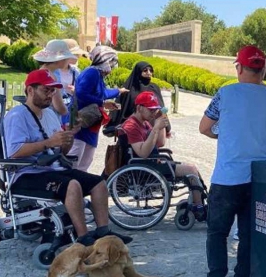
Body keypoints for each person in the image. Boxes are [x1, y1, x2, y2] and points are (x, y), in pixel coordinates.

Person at [196, 45, 266, 277]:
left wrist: (224, 134)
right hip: (259, 179)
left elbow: (204, 127)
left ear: (239, 67)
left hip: (228, 177)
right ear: (264, 70)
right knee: (249, 235)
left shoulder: (225, 94)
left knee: (217, 234)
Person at [3, 69, 132, 247]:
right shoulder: (17, 116)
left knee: (98, 183)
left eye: (52, 91)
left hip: (52, 168)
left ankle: (103, 231)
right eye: (45, 90)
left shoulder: (49, 114)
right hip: (27, 173)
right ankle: (82, 237)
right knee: (73, 185)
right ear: (30, 90)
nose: (50, 95)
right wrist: (48, 143)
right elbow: (15, 152)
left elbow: (61, 151)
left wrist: (68, 137)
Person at [121, 91, 206, 219]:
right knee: (191, 169)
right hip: (145, 165)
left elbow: (160, 143)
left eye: (155, 110)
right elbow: (143, 153)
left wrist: (160, 124)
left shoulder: (145, 122)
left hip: (153, 161)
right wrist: (155, 129)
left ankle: (198, 198)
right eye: (151, 110)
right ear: (139, 108)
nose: (153, 113)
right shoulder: (131, 125)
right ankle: (199, 208)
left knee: (193, 169)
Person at [69, 46, 129, 172]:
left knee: (86, 160)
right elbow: (81, 94)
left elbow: (101, 93)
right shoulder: (92, 73)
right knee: (75, 159)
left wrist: (117, 92)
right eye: (112, 62)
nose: (113, 67)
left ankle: (79, 185)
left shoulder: (97, 74)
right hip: (83, 120)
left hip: (90, 122)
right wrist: (101, 102)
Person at [112, 61, 166, 128]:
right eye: (145, 70)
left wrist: (167, 127)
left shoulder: (154, 87)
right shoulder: (130, 88)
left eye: (151, 70)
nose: (149, 73)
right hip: (133, 125)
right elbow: (121, 105)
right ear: (138, 71)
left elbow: (161, 106)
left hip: (153, 125)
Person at [32, 39, 76, 121]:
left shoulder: (40, 72)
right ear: (60, 59)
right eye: (66, 58)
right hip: (50, 118)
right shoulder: (51, 77)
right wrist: (69, 114)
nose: (68, 61)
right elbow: (58, 106)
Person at [56, 39, 86, 130]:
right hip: (55, 109)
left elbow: (82, 88)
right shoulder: (54, 71)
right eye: (75, 54)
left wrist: (76, 91)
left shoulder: (75, 71)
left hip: (70, 108)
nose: (78, 56)